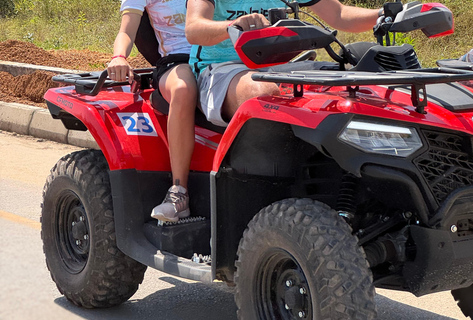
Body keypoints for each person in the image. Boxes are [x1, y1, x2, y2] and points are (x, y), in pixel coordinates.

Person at [185, 0, 384, 127]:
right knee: (265, 96)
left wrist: (385, 14)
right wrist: (232, 26)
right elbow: (193, 29)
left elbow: (340, 15)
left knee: (357, 87)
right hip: (220, 69)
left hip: (280, 67)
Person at [108, 0, 196, 223]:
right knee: (184, 89)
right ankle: (179, 192)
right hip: (179, 62)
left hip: (225, 57)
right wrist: (119, 57)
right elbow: (127, 31)